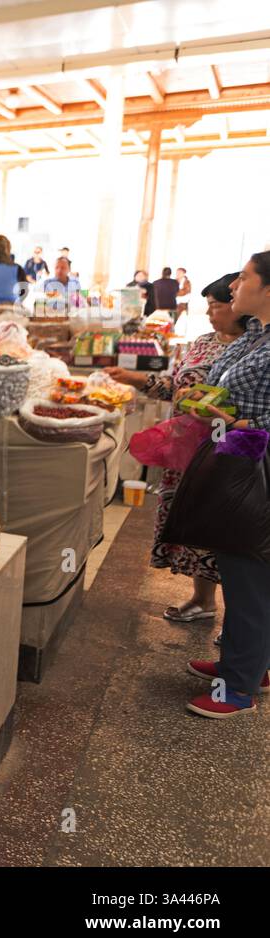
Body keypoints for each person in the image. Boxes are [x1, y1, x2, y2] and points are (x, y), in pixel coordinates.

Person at [106, 271, 244, 623]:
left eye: (217, 305)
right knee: (195, 524)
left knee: (225, 531)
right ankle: (203, 599)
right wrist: (134, 379)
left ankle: (242, 624)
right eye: (208, 306)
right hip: (185, 452)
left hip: (225, 451)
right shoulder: (203, 341)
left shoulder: (251, 351)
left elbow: (245, 406)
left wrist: (206, 404)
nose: (211, 312)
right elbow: (174, 385)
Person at [173, 252, 270, 718]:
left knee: (250, 571)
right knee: (237, 566)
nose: (234, 286)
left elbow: (259, 418)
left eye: (245, 278)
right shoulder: (254, 335)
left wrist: (230, 418)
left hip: (258, 464)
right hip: (235, 456)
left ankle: (238, 688)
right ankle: (248, 662)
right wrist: (206, 403)